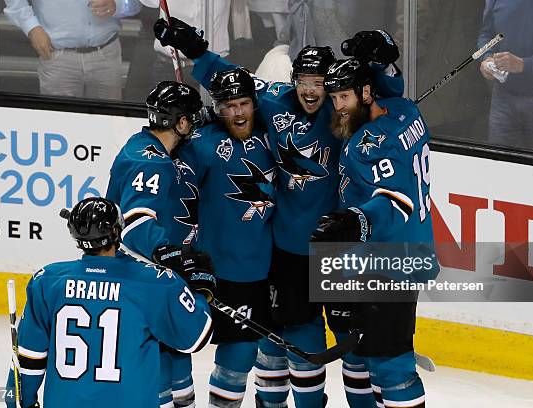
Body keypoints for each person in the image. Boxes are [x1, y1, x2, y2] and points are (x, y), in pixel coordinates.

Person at [154, 17, 404, 407]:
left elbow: (385, 94)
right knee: (300, 334)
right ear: (293, 81)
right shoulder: (272, 104)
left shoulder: (344, 112)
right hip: (286, 249)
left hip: (340, 248)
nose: (310, 89)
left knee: (354, 345)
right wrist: (195, 50)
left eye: (319, 82)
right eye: (303, 80)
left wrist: (384, 64)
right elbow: (233, 83)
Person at [310, 58, 440, 408]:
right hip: (390, 254)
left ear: (367, 93)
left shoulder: (367, 144)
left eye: (345, 98)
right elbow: (395, 89)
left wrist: (355, 220)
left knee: (390, 364)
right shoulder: (407, 112)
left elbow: (396, 201)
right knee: (359, 355)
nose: (337, 107)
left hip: (388, 261)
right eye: (333, 98)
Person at [5, 196, 215, 408]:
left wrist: (20, 402)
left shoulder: (47, 281)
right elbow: (196, 338)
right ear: (117, 232)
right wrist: (198, 289)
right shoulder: (155, 283)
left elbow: (28, 357)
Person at [177, 67, 276, 408]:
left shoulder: (274, 135)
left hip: (255, 270)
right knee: (174, 351)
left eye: (244, 103)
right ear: (216, 108)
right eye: (229, 105)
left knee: (239, 358)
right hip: (209, 269)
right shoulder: (200, 145)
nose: (237, 113)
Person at [105, 80, 204, 408]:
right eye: (191, 116)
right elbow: (135, 225)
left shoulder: (143, 144)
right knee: (158, 355)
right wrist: (168, 251)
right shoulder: (153, 163)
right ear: (179, 122)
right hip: (141, 274)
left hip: (148, 271)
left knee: (174, 356)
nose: (195, 121)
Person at [3, 0, 141, 100]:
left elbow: (136, 3)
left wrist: (118, 5)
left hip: (106, 53)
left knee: (109, 126)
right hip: (58, 56)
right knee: (59, 128)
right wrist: (32, 27)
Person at [477, 0, 533, 153]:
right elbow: (487, 34)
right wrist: (486, 58)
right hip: (503, 102)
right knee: (498, 167)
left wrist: (524, 65)